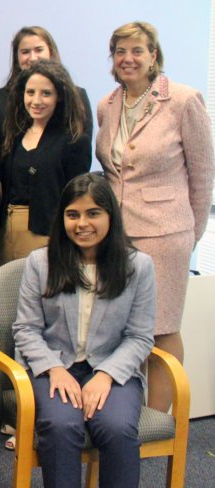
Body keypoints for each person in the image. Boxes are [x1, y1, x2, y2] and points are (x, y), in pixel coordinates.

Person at [13, 173, 155, 488]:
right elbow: (26, 329)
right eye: (72, 214)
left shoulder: (139, 267)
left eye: (93, 213)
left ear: (110, 216)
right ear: (62, 217)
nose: (82, 223)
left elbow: (140, 336)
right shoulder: (41, 262)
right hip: (55, 367)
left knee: (118, 428)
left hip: (113, 370)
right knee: (62, 426)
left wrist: (106, 375)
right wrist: (53, 369)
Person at [96, 21, 214, 412]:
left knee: (160, 330)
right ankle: (125, 416)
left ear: (153, 55)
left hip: (165, 236)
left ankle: (157, 424)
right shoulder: (107, 105)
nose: (128, 58)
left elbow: (202, 176)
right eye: (120, 51)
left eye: (137, 50)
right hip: (117, 238)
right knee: (122, 331)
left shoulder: (183, 100)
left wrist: (189, 234)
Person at [0, 60, 91, 267]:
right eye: (30, 92)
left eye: (46, 93)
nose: (36, 101)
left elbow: (75, 199)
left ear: (59, 97)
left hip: (46, 234)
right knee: (6, 296)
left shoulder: (74, 140)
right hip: (6, 232)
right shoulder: (14, 135)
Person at [0, 26, 93, 145]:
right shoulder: (0, 97)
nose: (33, 58)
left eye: (39, 50)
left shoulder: (76, 96)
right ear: (17, 57)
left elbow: (81, 147)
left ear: (51, 52)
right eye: (25, 52)